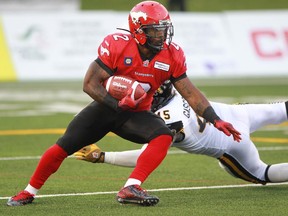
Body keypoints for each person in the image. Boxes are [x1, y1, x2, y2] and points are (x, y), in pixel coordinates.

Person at [7, 1, 241, 207]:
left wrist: (215, 119)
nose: (161, 36)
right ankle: (28, 192)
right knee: (63, 146)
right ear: (138, 31)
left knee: (163, 136)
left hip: (137, 114)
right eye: (155, 31)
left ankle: (131, 187)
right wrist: (116, 104)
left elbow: (190, 92)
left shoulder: (172, 54)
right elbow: (90, 83)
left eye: (163, 30)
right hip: (107, 108)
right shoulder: (118, 44)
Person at [74, 81, 288, 185]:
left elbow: (145, 156)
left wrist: (104, 157)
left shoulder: (164, 119)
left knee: (262, 173)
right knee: (282, 109)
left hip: (231, 143)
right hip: (237, 113)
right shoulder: (178, 88)